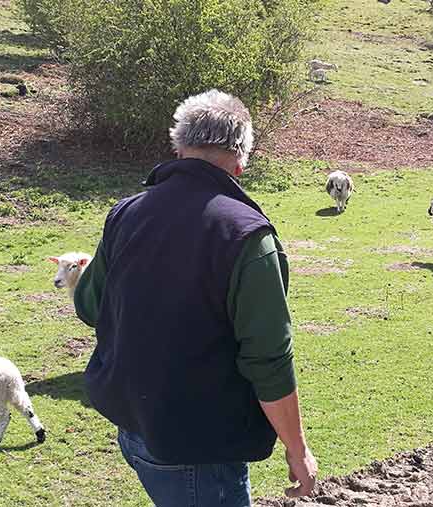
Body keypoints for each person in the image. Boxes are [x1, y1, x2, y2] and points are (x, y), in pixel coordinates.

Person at [74, 89, 317, 506]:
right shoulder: (247, 236)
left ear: (178, 145)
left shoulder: (126, 212)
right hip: (198, 447)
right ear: (241, 159)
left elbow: (89, 306)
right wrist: (297, 449)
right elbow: (268, 359)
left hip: (134, 427)